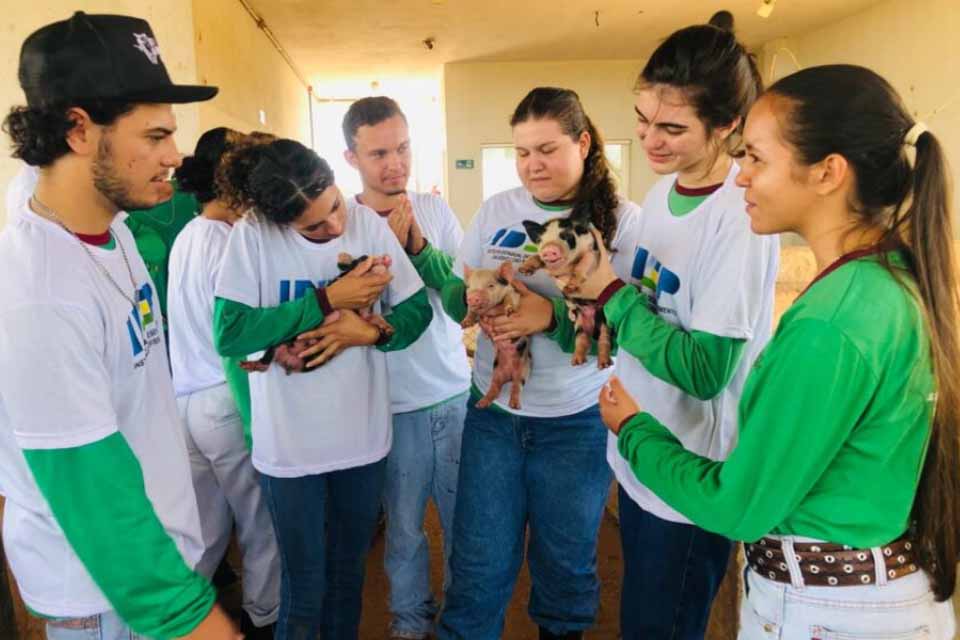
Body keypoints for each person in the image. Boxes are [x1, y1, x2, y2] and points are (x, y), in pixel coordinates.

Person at [598, 64, 958, 639]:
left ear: (827, 174)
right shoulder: (882, 283)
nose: (740, 177)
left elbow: (739, 505)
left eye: (757, 159)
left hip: (830, 614)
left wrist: (634, 430)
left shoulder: (831, 325)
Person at [0, 11, 239, 639]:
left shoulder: (110, 226)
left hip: (154, 565)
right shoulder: (41, 289)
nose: (175, 154)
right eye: (155, 136)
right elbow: (88, 485)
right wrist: (191, 620)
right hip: (109, 596)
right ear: (79, 129)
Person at [395, 86, 643, 640]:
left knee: (565, 569)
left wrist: (549, 317)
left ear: (583, 143)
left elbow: (631, 335)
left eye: (548, 149)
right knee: (478, 567)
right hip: (493, 420)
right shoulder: (498, 210)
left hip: (575, 424)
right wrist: (445, 275)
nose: (534, 165)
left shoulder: (625, 223)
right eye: (523, 152)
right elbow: (461, 297)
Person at [570, 12, 779, 639]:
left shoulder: (738, 216)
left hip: (688, 473)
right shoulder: (665, 191)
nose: (649, 139)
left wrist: (610, 291)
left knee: (660, 626)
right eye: (641, 119)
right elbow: (650, 299)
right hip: (641, 446)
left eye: (672, 127)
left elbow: (704, 370)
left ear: (728, 126)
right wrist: (597, 299)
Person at [212, 138, 433, 639]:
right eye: (313, 226)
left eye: (334, 206)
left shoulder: (368, 224)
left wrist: (371, 331)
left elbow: (417, 312)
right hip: (291, 451)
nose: (334, 226)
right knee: (304, 585)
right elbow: (230, 333)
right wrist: (327, 298)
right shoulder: (252, 237)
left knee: (347, 577)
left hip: (361, 441)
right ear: (279, 220)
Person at [341, 96, 471, 640]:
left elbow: (463, 299)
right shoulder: (342, 224)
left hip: (452, 392)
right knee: (404, 531)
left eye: (402, 148)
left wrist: (417, 243)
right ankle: (409, 622)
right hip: (390, 406)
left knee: (468, 523)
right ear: (351, 158)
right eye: (378, 153)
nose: (394, 163)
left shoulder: (434, 210)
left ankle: (463, 617)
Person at [168, 127, 281, 638]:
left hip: (187, 404)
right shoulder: (230, 242)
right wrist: (256, 423)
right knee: (263, 528)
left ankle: (171, 622)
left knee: (205, 532)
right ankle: (263, 620)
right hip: (226, 401)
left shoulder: (189, 236)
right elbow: (237, 341)